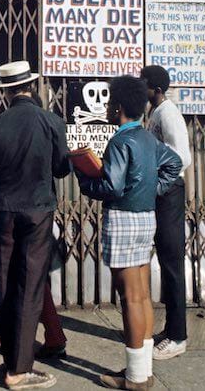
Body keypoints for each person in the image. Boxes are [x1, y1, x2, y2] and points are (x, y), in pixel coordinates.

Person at [77, 76, 182, 390]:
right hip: (146, 217)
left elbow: (112, 185)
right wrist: (151, 189)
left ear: (119, 107)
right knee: (143, 295)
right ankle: (141, 370)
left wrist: (84, 179)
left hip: (122, 219)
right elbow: (174, 164)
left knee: (129, 299)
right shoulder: (148, 139)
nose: (108, 108)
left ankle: (136, 378)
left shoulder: (121, 142)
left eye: (110, 103)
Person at [0, 61, 72, 390]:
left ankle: (10, 357)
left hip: (5, 212)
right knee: (31, 286)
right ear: (32, 86)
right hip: (38, 212)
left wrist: (4, 192)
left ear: (6, 92)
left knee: (4, 282)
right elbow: (62, 168)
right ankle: (18, 370)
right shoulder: (51, 121)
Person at [140, 65, 192, 361]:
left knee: (172, 263)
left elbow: (182, 156)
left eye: (144, 84)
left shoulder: (168, 113)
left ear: (156, 88)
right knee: (166, 258)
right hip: (164, 192)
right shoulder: (158, 112)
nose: (142, 89)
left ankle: (178, 337)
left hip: (170, 192)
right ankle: (171, 328)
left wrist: (160, 184)